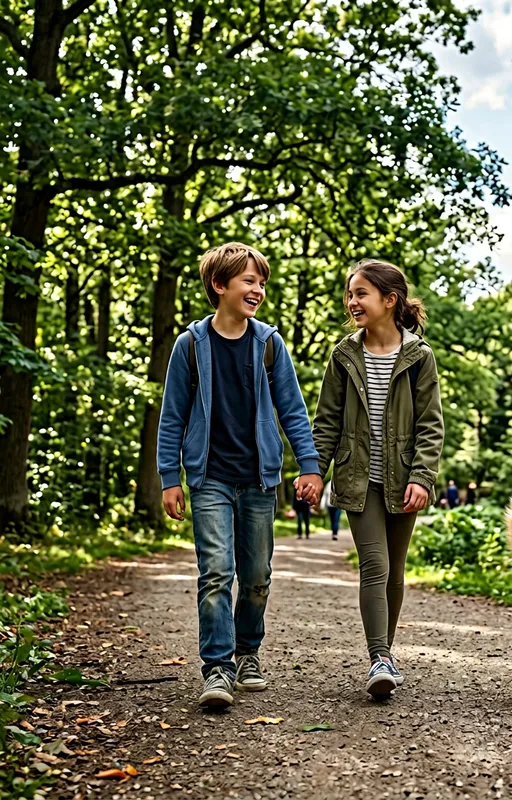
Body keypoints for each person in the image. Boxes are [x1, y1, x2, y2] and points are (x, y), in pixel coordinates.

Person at [158, 242, 323, 709]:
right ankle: (217, 667)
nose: (258, 290)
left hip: (258, 479)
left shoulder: (269, 344)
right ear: (220, 285)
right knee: (215, 572)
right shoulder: (190, 346)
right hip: (208, 476)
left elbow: (292, 411)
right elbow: (172, 416)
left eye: (262, 283)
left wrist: (308, 464)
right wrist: (170, 476)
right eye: (249, 281)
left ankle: (248, 652)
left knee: (256, 575)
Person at [309, 258, 444, 698]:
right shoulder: (344, 354)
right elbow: (326, 420)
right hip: (357, 477)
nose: (352, 301)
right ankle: (379, 657)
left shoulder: (419, 356)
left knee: (395, 573)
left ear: (390, 300)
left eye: (361, 293)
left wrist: (422, 478)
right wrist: (314, 471)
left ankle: (385, 652)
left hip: (403, 479)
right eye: (350, 294)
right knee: (375, 564)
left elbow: (431, 424)